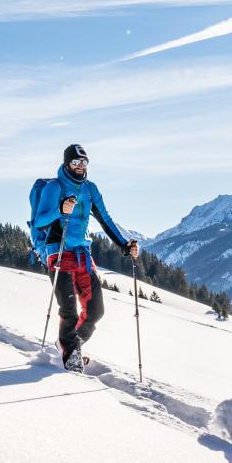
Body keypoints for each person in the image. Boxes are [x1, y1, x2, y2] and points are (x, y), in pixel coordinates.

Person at [32, 144, 139, 371]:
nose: (80, 167)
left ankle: (71, 345)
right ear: (66, 163)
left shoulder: (90, 189)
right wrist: (60, 209)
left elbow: (105, 219)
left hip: (82, 253)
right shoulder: (54, 187)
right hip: (58, 252)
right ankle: (70, 359)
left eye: (84, 162)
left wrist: (124, 245)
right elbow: (39, 221)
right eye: (76, 162)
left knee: (95, 311)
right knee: (68, 308)